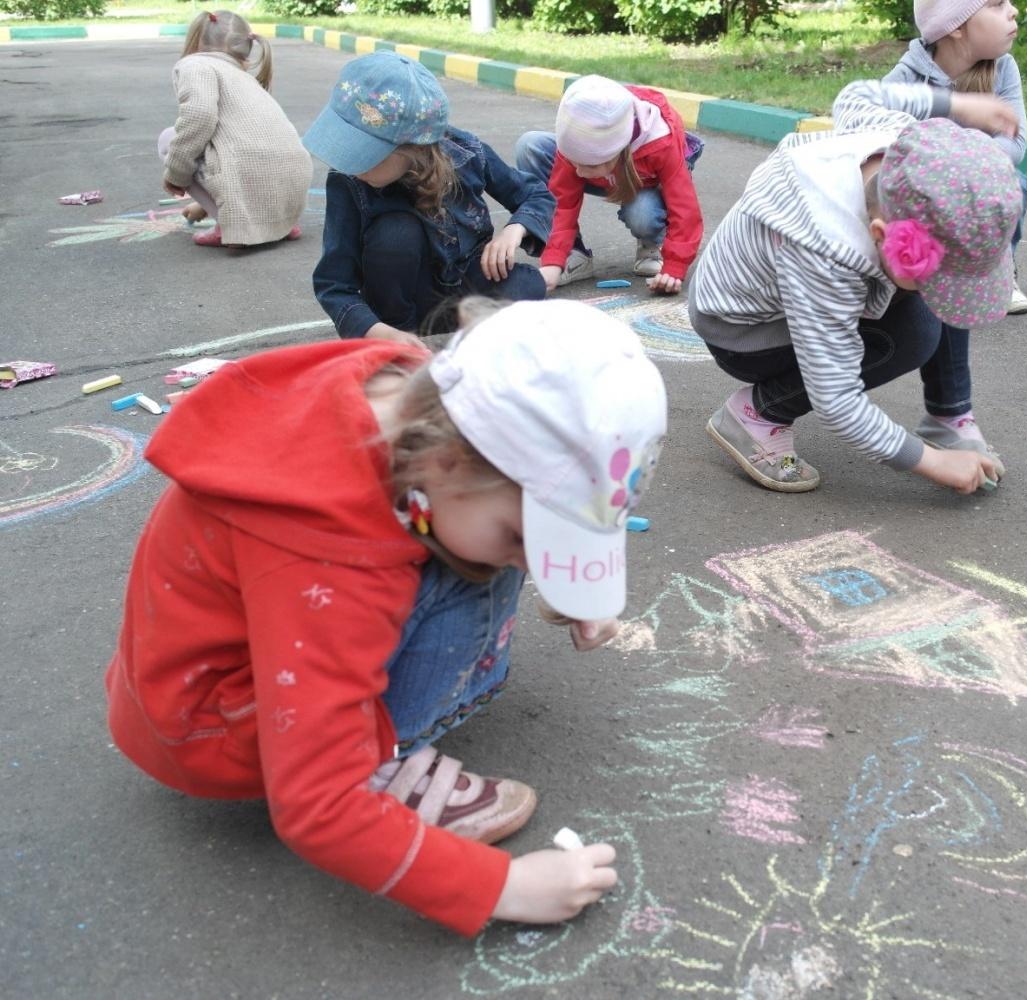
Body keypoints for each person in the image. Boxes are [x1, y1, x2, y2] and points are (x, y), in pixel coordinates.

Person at [105, 298, 667, 936]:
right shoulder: (327, 560)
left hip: (189, 684)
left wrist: (572, 579)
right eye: (524, 536)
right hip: (221, 733)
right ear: (450, 462)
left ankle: (381, 706)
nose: (526, 562)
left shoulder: (408, 391)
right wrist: (502, 888)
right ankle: (382, 762)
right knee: (467, 567)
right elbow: (316, 804)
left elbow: (487, 508)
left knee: (468, 545)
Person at [689, 79, 1020, 495]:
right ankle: (758, 414)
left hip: (800, 288)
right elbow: (837, 398)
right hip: (743, 332)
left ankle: (948, 416)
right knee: (914, 336)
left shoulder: (905, 150)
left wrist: (957, 102)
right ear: (882, 235)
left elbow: (856, 95)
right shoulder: (825, 252)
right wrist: (932, 463)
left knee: (934, 303)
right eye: (927, 276)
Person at [306, 52, 553, 347]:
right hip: (401, 306)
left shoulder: (468, 154)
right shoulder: (348, 180)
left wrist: (515, 229)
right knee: (396, 232)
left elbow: (535, 194)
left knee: (527, 285)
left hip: (466, 286)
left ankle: (465, 327)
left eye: (363, 153)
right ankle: (407, 333)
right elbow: (334, 284)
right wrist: (378, 331)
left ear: (411, 149)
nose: (351, 164)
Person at [884, 0, 1027, 314]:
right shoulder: (910, 74)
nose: (1013, 10)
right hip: (923, 187)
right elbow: (875, 117)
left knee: (1015, 184)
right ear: (955, 27)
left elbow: (1014, 142)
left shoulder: (1003, 67)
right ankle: (917, 268)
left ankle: (998, 269)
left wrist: (968, 166)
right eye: (996, 5)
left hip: (980, 178)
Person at [514, 75, 705, 295]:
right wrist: (553, 259)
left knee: (642, 212)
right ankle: (574, 253)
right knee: (530, 145)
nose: (578, 172)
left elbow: (685, 209)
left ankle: (651, 243)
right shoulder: (579, 138)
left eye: (588, 166)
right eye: (574, 163)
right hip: (613, 172)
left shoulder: (660, 142)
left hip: (644, 184)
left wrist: (674, 267)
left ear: (616, 152)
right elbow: (562, 202)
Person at [159, 9, 309, 249]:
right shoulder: (244, 77)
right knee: (234, 152)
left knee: (170, 139)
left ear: (196, 39)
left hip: (253, 173)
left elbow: (198, 117)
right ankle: (279, 224)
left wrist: (176, 173)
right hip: (294, 179)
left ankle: (229, 227)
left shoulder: (195, 65)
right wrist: (202, 205)